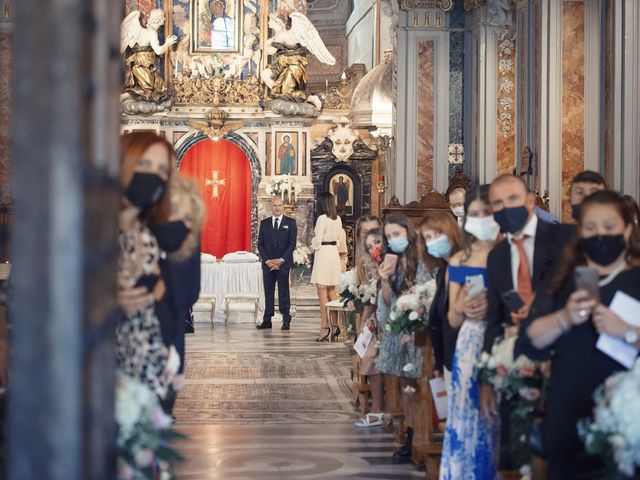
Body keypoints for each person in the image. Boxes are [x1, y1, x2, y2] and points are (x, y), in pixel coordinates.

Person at [522, 190, 640, 479]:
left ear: (627, 229)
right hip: (569, 409)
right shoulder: (566, 277)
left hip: (626, 417)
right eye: (591, 227)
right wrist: (564, 318)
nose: (600, 234)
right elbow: (531, 338)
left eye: (609, 227)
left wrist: (627, 332)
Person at [479, 174, 576, 469]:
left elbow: (583, 294)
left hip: (565, 359)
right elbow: (493, 318)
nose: (506, 207)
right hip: (516, 361)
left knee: (562, 454)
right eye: (497, 203)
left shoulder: (565, 239)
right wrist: (486, 378)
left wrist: (541, 311)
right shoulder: (496, 256)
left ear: (530, 202)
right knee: (513, 455)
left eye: (512, 200)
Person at [439, 185, 499, 480]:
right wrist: (462, 306)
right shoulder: (459, 260)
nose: (479, 218)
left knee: (496, 416)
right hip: (470, 339)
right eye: (474, 214)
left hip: (501, 340)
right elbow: (451, 317)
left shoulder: (508, 254)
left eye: (486, 213)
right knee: (468, 413)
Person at [116, 132, 178, 400]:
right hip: (96, 374)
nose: (154, 176)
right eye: (144, 165)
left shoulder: (147, 233)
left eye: (162, 170)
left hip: (145, 372)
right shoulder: (83, 224)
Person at [375, 213, 438, 464]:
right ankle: (410, 437)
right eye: (389, 236)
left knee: (417, 387)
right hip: (402, 331)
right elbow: (389, 302)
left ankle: (419, 438)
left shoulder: (422, 257)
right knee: (407, 389)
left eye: (397, 234)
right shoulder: (395, 260)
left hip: (420, 334)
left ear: (408, 233)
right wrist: (384, 279)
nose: (393, 239)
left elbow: (427, 292)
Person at [153, 175, 205, 413]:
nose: (179, 223)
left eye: (187, 218)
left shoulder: (189, 243)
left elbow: (189, 294)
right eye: (173, 211)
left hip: (172, 338)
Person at [419, 210, 464, 387]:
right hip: (447, 355)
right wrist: (439, 362)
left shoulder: (464, 263)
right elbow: (438, 319)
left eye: (438, 234)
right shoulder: (443, 270)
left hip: (463, 354)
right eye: (428, 237)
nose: (434, 241)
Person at [354, 225, 385, 428]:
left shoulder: (395, 264)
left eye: (378, 243)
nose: (374, 247)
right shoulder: (366, 267)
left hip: (390, 320)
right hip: (375, 321)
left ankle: (388, 408)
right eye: (369, 245)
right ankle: (377, 410)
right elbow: (368, 301)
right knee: (371, 359)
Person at [257, 197, 297, 331]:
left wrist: (280, 260)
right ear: (271, 207)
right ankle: (267, 319)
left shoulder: (290, 223)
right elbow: (260, 244)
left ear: (283, 206)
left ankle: (286, 319)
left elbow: (292, 244)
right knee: (268, 292)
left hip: (283, 264)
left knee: (284, 291)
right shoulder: (264, 223)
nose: (277, 208)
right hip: (268, 264)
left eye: (280, 205)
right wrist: (268, 261)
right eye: (275, 205)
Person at [310, 192, 343, 341]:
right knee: (332, 293)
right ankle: (335, 326)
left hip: (323, 253)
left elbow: (317, 242)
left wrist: (313, 239)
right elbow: (339, 238)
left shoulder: (322, 218)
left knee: (322, 292)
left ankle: (324, 327)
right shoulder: (338, 219)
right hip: (333, 253)